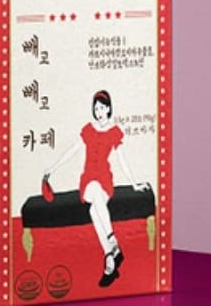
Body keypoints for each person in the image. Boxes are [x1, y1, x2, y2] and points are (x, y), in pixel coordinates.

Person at [44, 90, 147, 287]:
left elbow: (122, 160)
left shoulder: (115, 131)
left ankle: (110, 255)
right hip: (88, 179)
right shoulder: (88, 130)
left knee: (94, 210)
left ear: (108, 109)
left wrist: (134, 183)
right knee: (94, 191)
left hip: (105, 179)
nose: (99, 112)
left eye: (102, 108)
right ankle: (112, 241)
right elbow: (72, 151)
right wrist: (52, 169)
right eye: (96, 108)